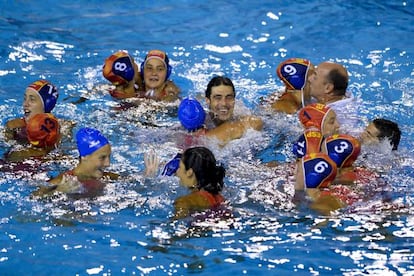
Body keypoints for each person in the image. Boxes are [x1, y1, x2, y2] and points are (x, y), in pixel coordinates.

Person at [32, 127, 117, 198]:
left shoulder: (107, 178)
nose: (108, 164)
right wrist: (59, 191)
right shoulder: (62, 181)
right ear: (85, 157)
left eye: (109, 156)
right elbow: (34, 198)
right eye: (102, 157)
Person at [173, 146, 227, 219]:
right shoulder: (222, 200)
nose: (177, 172)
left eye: (180, 167)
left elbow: (172, 227)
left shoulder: (184, 202)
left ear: (189, 172)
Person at [308, 61, 360, 135]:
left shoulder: (340, 118)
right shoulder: (336, 96)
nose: (309, 79)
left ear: (328, 88)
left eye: (315, 77)